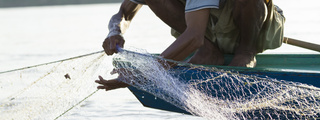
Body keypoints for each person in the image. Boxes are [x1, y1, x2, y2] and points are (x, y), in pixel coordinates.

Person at [96, 0, 285, 91]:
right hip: (209, 29)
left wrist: (144, 75)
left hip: (254, 27)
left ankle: (246, 53)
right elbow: (124, 12)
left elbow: (194, 37)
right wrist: (115, 31)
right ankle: (209, 52)